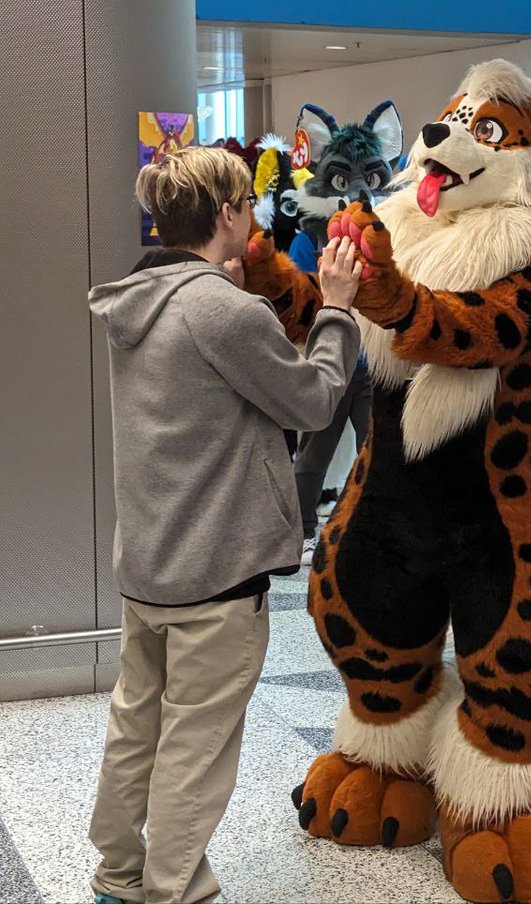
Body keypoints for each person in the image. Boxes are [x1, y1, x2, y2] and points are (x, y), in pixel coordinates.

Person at [86, 145, 362, 904]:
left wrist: (235, 297)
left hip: (149, 566)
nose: (253, 215)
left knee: (136, 726)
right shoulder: (224, 311)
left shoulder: (140, 296)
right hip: (214, 576)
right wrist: (337, 307)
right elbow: (311, 401)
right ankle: (174, 891)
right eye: (245, 203)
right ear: (227, 214)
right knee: (196, 749)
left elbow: (206, 375)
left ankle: (117, 875)